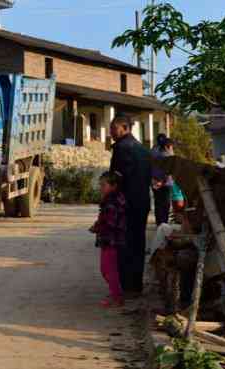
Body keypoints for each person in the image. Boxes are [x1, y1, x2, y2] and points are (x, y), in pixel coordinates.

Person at [109, 115, 152, 297]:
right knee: (138, 243)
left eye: (113, 128)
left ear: (124, 128)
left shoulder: (121, 148)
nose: (111, 133)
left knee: (124, 244)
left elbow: (116, 179)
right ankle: (136, 285)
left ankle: (126, 286)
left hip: (126, 204)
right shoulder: (143, 149)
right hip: (142, 202)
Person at [90, 171, 126, 308]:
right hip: (112, 240)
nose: (101, 188)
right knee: (107, 269)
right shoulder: (115, 199)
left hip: (111, 240)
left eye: (103, 185)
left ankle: (116, 296)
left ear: (114, 186)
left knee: (108, 270)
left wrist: (98, 227)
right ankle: (115, 294)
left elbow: (109, 222)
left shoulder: (111, 202)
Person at [151, 134, 174, 225]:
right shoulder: (167, 153)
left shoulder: (153, 151)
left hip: (155, 182)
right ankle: (163, 223)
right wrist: (162, 182)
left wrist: (152, 180)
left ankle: (159, 224)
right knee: (165, 204)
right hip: (164, 183)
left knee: (158, 204)